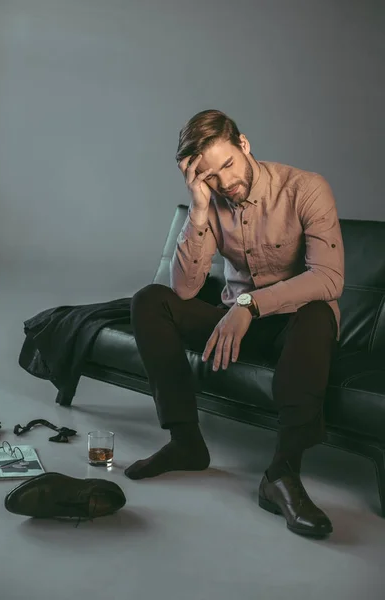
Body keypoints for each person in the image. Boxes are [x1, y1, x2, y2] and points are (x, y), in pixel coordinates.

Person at [124, 109, 344, 538]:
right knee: (150, 301)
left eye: (227, 165)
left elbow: (328, 278)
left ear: (244, 145)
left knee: (319, 315)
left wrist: (248, 305)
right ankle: (185, 441)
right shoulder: (210, 199)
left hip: (293, 327)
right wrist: (200, 209)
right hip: (233, 323)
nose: (225, 182)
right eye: (209, 176)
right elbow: (185, 291)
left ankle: (281, 475)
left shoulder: (305, 188)